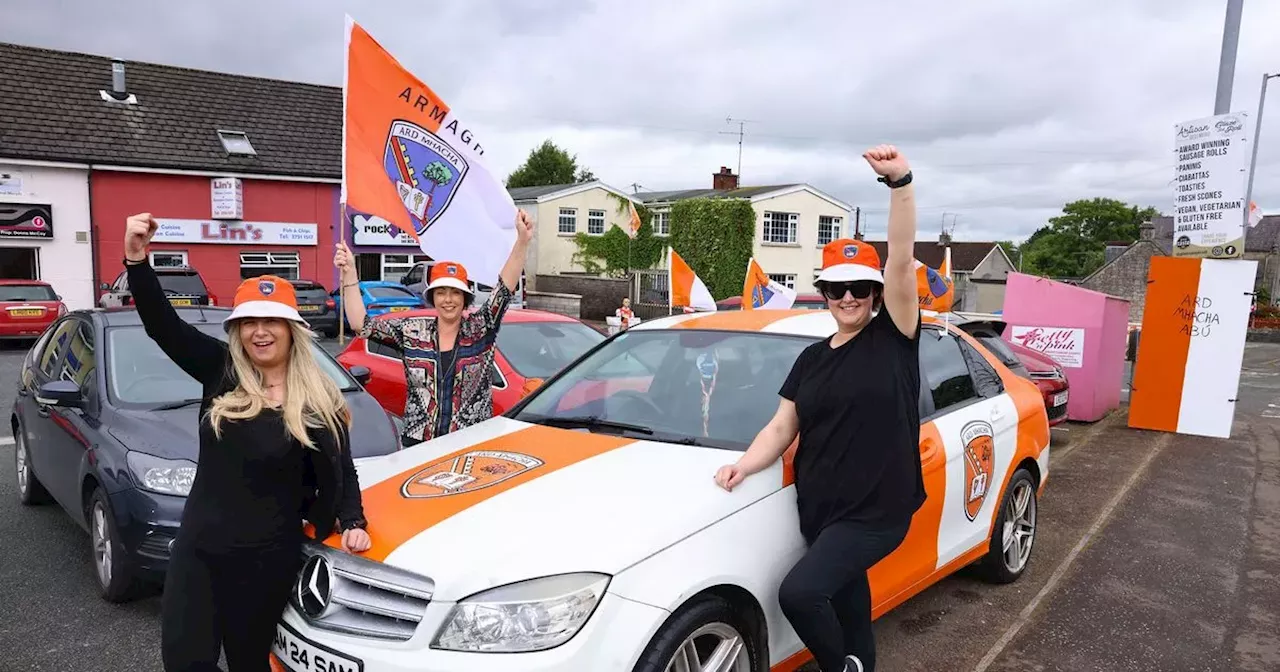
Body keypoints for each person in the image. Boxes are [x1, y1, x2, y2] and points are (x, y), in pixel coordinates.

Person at [120, 213, 372, 672]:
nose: (261, 331)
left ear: (292, 330)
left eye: (272, 321)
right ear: (237, 330)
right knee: (185, 661)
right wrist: (138, 260)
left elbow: (342, 467)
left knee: (248, 663)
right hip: (199, 551)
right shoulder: (221, 371)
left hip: (266, 560)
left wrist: (352, 518)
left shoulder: (319, 399)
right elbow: (163, 326)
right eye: (250, 321)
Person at [713, 145, 924, 672]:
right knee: (852, 607)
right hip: (821, 510)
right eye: (836, 288)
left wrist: (900, 184)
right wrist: (745, 463)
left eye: (859, 288)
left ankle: (841, 669)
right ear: (823, 293)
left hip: (875, 513)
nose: (847, 297)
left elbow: (900, 259)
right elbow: (783, 424)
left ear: (875, 294)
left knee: (801, 594)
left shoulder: (895, 338)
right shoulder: (810, 358)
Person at [333, 210, 535, 444]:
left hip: (469, 441)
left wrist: (522, 241)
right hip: (418, 442)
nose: (448, 299)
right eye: (441, 292)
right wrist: (349, 272)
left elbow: (504, 289)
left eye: (455, 293)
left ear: (465, 298)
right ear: (432, 297)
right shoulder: (411, 331)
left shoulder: (480, 328)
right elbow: (361, 325)